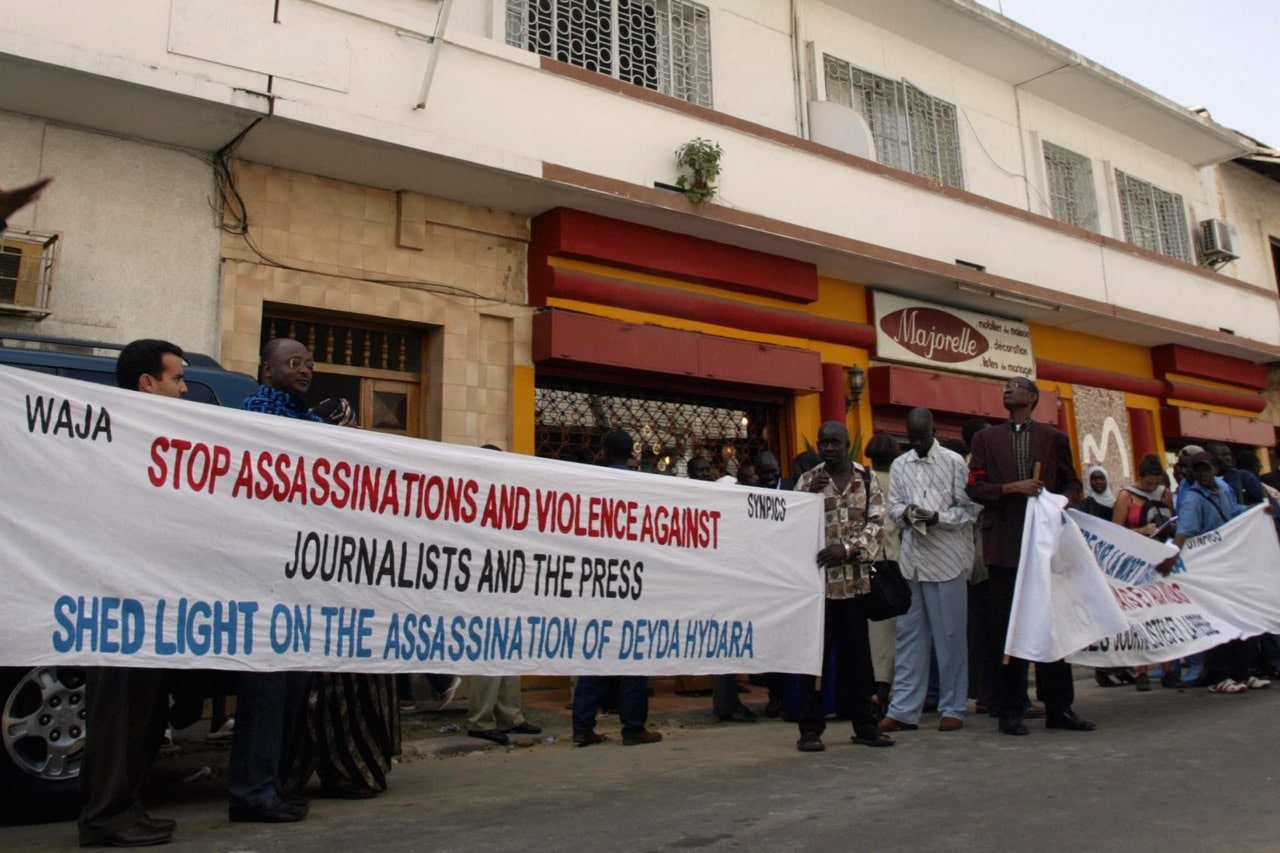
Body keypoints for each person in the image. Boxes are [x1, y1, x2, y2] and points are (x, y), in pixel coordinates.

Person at [78, 340, 188, 848]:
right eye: (176, 379)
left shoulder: (163, 437)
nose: (184, 388)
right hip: (116, 599)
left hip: (152, 598)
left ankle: (127, 806)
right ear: (148, 382)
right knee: (118, 713)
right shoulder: (113, 433)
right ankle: (105, 815)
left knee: (145, 716)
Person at [284, 397, 403, 799]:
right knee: (325, 701)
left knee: (347, 700)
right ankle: (338, 772)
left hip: (355, 605)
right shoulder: (303, 474)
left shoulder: (365, 474)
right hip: (323, 604)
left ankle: (350, 772)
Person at [228, 338, 324, 823]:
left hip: (302, 583)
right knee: (265, 696)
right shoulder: (253, 418)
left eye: (308, 363)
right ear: (267, 369)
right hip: (263, 581)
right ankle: (251, 792)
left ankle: (275, 785)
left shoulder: (315, 426)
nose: (304, 370)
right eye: (293, 363)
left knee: (291, 694)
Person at [966, 376, 1093, 736]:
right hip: (1004, 546)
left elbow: (1072, 483)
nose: (1007, 390)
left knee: (1052, 625)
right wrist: (1011, 488)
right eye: (1004, 386)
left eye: (1016, 386)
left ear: (1033, 397)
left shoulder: (1053, 439)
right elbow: (974, 487)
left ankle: (1059, 708)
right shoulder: (986, 439)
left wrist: (1059, 502)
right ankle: (1009, 708)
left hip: (1044, 546)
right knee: (1007, 628)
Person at [793, 420, 892, 752]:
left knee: (859, 663)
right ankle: (810, 729)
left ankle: (865, 726)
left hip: (855, 586)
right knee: (816, 661)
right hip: (819, 589)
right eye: (824, 443)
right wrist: (807, 497)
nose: (829, 448)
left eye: (835, 442)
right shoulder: (808, 480)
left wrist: (847, 550)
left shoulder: (867, 480)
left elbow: (877, 524)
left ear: (847, 443)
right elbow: (791, 527)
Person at [880, 409, 980, 734]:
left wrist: (938, 518)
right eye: (913, 438)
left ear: (934, 431)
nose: (918, 443)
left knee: (950, 637)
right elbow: (892, 506)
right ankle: (903, 710)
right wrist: (906, 515)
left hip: (947, 561)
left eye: (923, 437)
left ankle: (953, 706)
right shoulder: (900, 464)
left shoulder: (953, 462)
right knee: (909, 637)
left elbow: (970, 509)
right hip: (913, 562)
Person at [572, 429, 663, 747]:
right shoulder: (644, 485)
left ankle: (583, 727)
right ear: (631, 454)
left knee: (594, 653)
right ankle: (633, 727)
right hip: (635, 580)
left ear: (603, 450)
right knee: (634, 655)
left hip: (598, 579)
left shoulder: (591, 482)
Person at [1170, 452, 1270, 694]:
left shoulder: (1224, 489)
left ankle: (1242, 672)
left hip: (1230, 562)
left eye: (1207, 468)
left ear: (1215, 469)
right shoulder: (1193, 500)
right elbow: (1185, 530)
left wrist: (1257, 511)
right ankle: (1218, 676)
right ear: (1193, 473)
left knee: (1240, 617)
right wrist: (1172, 557)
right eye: (1198, 470)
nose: (1203, 473)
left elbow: (1234, 511)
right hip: (1210, 567)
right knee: (1218, 620)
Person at [466, 445, 543, 745]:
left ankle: (511, 716)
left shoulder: (508, 493)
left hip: (509, 582)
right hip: (484, 584)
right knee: (487, 653)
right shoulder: (472, 495)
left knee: (510, 652)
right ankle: (480, 720)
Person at [689, 454, 757, 723]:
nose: (706, 473)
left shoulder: (723, 492)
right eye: (700, 470)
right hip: (706, 580)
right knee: (721, 640)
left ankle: (727, 700)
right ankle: (726, 703)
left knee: (726, 640)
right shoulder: (687, 496)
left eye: (708, 469)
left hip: (725, 578)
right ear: (691, 474)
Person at [1108, 454, 1176, 691]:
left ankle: (1168, 668)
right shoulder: (1126, 496)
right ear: (1139, 478)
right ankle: (1142, 671)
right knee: (1140, 616)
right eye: (1148, 484)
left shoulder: (1164, 494)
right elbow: (1116, 531)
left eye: (1155, 484)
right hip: (1136, 563)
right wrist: (1141, 531)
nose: (1151, 488)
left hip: (1161, 560)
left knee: (1166, 613)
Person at [863, 432, 902, 721]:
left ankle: (877, 690)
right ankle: (888, 691)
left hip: (869, 562)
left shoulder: (863, 481)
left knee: (874, 633)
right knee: (897, 632)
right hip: (897, 561)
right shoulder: (900, 483)